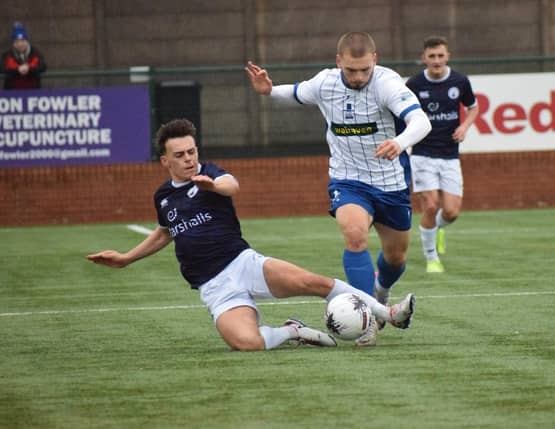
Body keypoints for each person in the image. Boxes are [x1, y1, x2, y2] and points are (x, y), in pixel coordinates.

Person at [86, 118, 416, 351]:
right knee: (247, 344)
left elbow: (233, 185)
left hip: (243, 263)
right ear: (164, 161)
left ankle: (388, 314)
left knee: (315, 283)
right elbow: (164, 232)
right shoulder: (163, 196)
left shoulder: (210, 173)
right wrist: (126, 259)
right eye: (180, 155)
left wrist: (212, 184)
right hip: (215, 288)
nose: (189, 159)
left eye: (192, 152)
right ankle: (293, 331)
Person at [245, 32, 431, 346]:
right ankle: (372, 318)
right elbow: (295, 92)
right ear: (338, 62)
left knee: (396, 257)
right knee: (355, 234)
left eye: (364, 70)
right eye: (350, 71)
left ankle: (380, 295)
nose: (358, 77)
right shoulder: (325, 83)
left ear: (375, 60)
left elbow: (421, 122)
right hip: (348, 180)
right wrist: (268, 91)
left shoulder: (387, 84)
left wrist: (399, 142)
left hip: (391, 184)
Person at [405, 36, 479, 273]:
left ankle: (437, 229)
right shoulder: (414, 84)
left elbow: (473, 108)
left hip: (450, 155)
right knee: (430, 206)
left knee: (451, 212)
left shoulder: (460, 81)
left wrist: (464, 127)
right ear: (423, 58)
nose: (436, 60)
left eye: (440, 56)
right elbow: (401, 111)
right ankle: (431, 258)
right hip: (422, 154)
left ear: (447, 56)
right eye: (431, 56)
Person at [0, 22, 47, 90]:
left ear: (27, 41)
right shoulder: (7, 55)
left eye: (22, 41)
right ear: (13, 43)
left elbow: (43, 66)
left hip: (33, 94)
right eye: (17, 41)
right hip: (12, 95)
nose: (20, 44)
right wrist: (17, 70)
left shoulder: (35, 53)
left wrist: (29, 69)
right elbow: (2, 68)